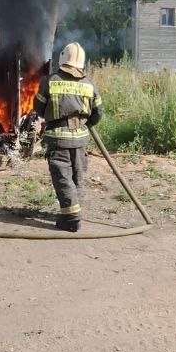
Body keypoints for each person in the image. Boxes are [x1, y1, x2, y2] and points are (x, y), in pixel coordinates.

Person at [33, 42, 102, 232]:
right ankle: (74, 211)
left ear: (63, 58)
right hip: (81, 139)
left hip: (58, 139)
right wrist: (84, 124)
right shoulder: (89, 84)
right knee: (77, 176)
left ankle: (71, 218)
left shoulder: (50, 81)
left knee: (63, 177)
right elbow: (98, 113)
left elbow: (38, 107)